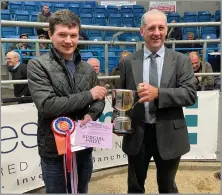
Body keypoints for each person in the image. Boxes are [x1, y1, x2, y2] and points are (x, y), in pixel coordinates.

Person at [116, 9, 197, 193]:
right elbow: (122, 97)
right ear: (142, 31)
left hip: (169, 134)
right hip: (137, 134)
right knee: (135, 187)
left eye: (161, 27)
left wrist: (158, 93)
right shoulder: (128, 62)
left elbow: (190, 94)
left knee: (167, 187)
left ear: (166, 29)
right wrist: (119, 123)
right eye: (151, 28)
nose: (157, 33)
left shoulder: (181, 60)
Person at [27, 9, 107, 193]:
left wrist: (91, 114)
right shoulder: (37, 65)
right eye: (62, 34)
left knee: (82, 190)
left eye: (73, 35)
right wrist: (89, 95)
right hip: (53, 149)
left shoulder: (87, 69)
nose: (68, 41)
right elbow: (48, 105)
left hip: (83, 145)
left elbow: (99, 100)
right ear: (50, 34)